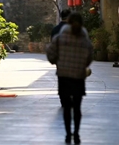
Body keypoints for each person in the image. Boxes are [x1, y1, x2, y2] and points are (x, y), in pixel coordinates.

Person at [47, 12, 93, 144]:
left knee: (67, 108)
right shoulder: (85, 40)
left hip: (64, 75)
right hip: (78, 76)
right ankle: (76, 134)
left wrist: (56, 61)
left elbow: (50, 53)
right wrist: (82, 65)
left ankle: (68, 135)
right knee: (77, 108)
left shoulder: (60, 38)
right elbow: (90, 56)